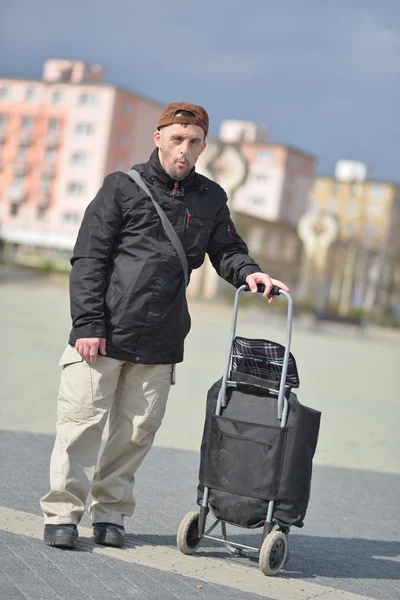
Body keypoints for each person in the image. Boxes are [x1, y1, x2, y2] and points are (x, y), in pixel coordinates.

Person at [40, 101, 289, 550]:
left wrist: (249, 272)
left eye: (193, 143)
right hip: (103, 332)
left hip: (161, 338)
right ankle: (62, 513)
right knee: (79, 427)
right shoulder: (120, 188)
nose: (184, 150)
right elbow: (89, 259)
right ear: (158, 138)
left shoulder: (210, 197)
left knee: (134, 435)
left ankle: (110, 514)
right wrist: (88, 323)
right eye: (177, 140)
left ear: (203, 147)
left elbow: (227, 249)